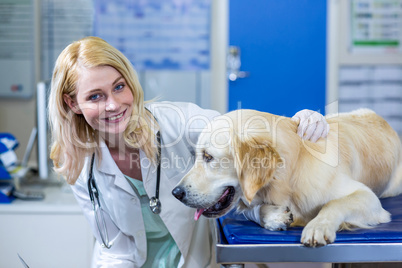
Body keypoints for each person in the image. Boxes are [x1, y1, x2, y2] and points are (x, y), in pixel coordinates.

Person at [48, 36, 329, 268]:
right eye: (95, 96)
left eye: (119, 87)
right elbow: (116, 249)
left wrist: (298, 122)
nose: (113, 104)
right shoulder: (78, 164)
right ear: (72, 104)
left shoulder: (179, 122)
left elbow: (244, 137)